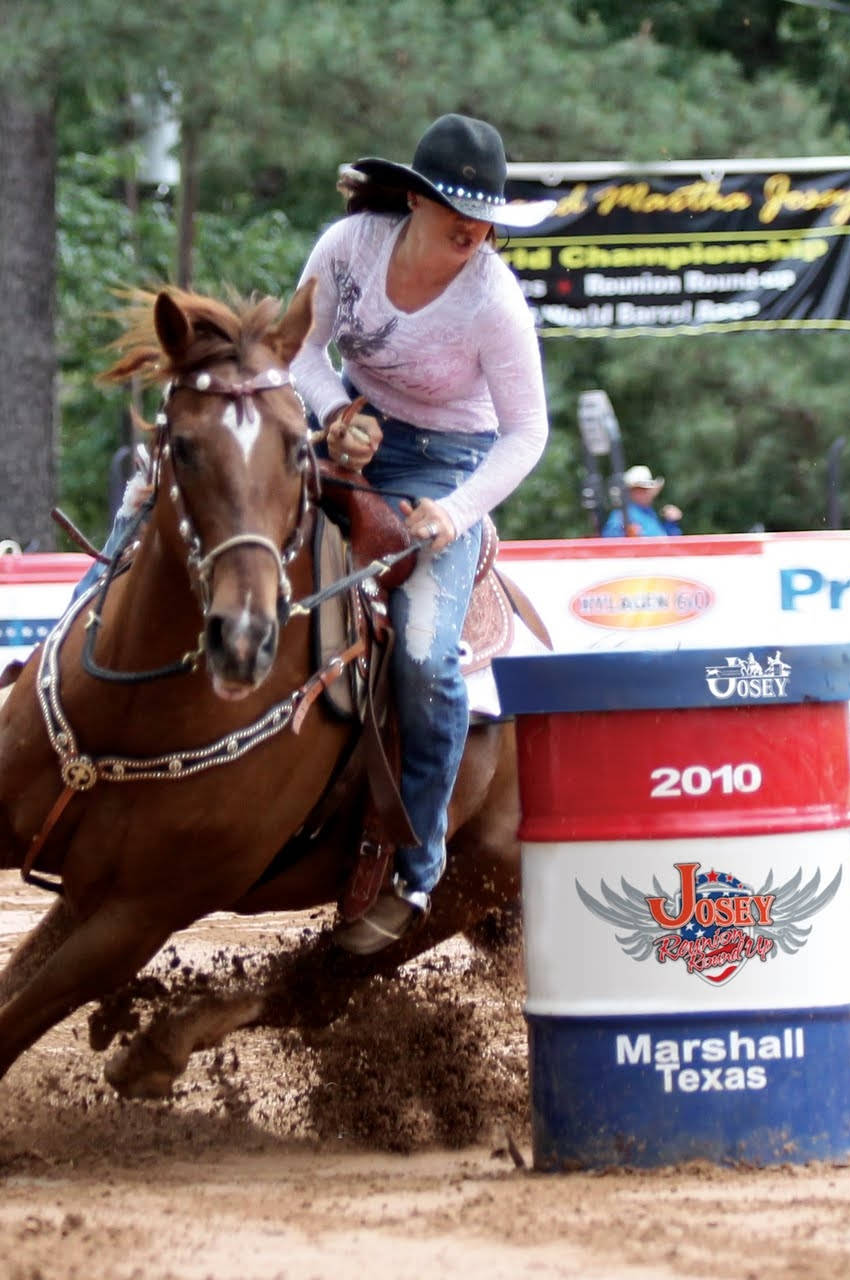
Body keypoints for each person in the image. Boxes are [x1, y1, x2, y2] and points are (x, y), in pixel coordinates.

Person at [292, 113, 555, 954]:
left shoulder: (493, 299)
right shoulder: (346, 248)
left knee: (421, 651)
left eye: (483, 228)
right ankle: (37, 690)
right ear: (413, 202)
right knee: (183, 487)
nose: (472, 240)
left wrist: (456, 510)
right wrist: (336, 414)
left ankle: (417, 863)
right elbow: (300, 354)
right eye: (457, 224)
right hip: (345, 428)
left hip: (449, 464)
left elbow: (526, 434)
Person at [601, 464, 682, 537]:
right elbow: (609, 538)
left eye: (647, 489)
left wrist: (671, 523)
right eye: (641, 489)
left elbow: (663, 540)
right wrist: (624, 532)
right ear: (630, 491)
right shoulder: (622, 513)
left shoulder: (649, 512)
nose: (647, 492)